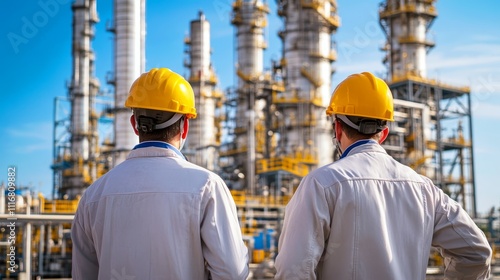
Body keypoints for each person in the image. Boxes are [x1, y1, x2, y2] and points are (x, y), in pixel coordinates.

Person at [274, 72, 492, 279]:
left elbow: (293, 270)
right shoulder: (424, 189)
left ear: (337, 129)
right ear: (384, 133)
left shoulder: (321, 184)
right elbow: (476, 252)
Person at [72, 68, 249, 279]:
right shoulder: (206, 186)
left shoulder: (94, 195)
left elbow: (83, 275)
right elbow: (231, 273)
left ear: (135, 125)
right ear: (184, 127)